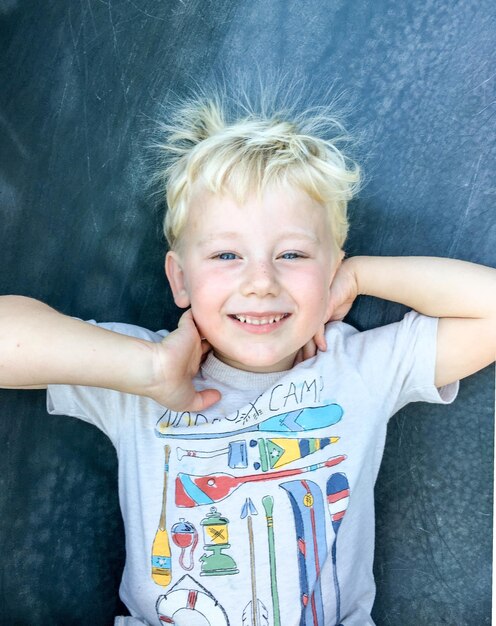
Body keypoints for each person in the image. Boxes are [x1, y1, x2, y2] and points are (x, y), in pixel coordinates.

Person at [1, 90, 495, 626]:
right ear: (180, 279)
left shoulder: (358, 369)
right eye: (226, 255)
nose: (260, 281)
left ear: (330, 269)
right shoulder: (137, 370)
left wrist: (363, 275)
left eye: (293, 255)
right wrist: (147, 370)